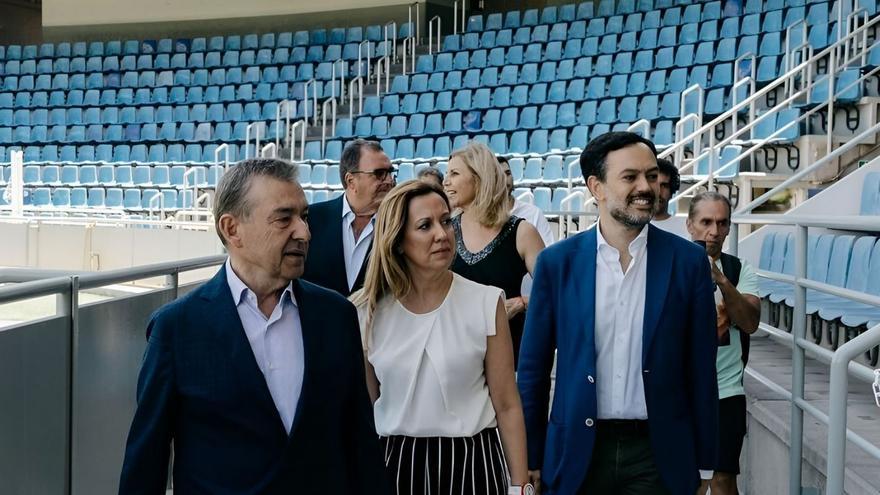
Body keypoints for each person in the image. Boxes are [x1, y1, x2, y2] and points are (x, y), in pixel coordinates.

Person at [118, 159, 387, 494]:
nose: (304, 232)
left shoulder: (336, 316)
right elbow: (146, 463)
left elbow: (360, 441)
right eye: (284, 218)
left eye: (304, 216)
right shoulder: (177, 329)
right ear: (232, 229)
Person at [517, 132, 719, 495]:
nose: (646, 187)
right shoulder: (556, 264)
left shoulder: (688, 263)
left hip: (658, 455)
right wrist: (529, 456)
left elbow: (702, 369)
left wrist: (705, 461)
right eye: (630, 177)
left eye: (651, 175)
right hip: (576, 450)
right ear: (597, 187)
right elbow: (532, 371)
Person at [350, 180, 533, 495]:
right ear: (397, 240)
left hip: (475, 464)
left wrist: (520, 487)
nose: (442, 234)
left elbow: (507, 404)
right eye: (425, 226)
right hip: (395, 465)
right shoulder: (366, 312)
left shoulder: (487, 302)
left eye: (446, 221)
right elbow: (366, 405)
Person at [444, 142, 545, 366]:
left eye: (454, 173)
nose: (446, 182)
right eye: (446, 173)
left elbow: (554, 292)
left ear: (479, 178)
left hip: (509, 356)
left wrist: (521, 302)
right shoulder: (446, 230)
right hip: (455, 356)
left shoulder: (522, 231)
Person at [687, 191, 761, 495]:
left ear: (730, 227)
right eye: (706, 222)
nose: (714, 231)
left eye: (721, 223)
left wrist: (721, 280)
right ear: (690, 225)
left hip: (726, 391)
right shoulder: (671, 267)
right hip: (680, 390)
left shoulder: (740, 269)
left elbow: (750, 322)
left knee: (722, 480)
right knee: (685, 480)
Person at [302, 139, 396, 296]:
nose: (389, 180)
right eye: (379, 174)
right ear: (351, 181)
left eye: (390, 172)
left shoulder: (399, 224)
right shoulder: (311, 220)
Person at [498, 155, 555, 247]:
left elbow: (548, 251)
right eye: (499, 175)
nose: (505, 179)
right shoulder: (482, 216)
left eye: (508, 173)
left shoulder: (534, 214)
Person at [651, 157, 688, 238]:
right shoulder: (631, 227)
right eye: (655, 185)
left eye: (664, 185)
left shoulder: (686, 228)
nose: (659, 192)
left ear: (672, 190)